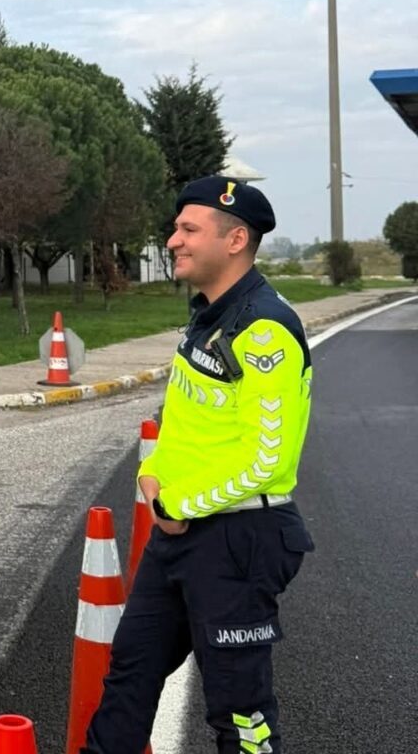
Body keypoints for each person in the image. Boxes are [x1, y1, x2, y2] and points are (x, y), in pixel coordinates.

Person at [82, 177, 316, 754]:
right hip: (180, 535)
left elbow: (268, 458)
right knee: (130, 674)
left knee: (240, 714)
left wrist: (174, 504)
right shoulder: (208, 316)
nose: (173, 240)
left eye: (189, 229)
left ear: (235, 239)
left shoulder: (263, 329)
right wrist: (150, 474)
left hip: (239, 539)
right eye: (176, 228)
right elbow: (181, 422)